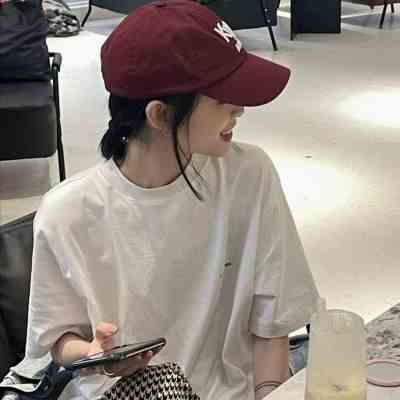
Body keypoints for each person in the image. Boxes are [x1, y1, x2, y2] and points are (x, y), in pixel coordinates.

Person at [25, 1, 320, 399]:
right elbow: (59, 339)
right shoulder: (68, 213)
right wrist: (95, 355)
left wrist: (270, 394)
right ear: (161, 116)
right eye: (223, 99)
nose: (240, 110)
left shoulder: (249, 175)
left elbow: (272, 324)